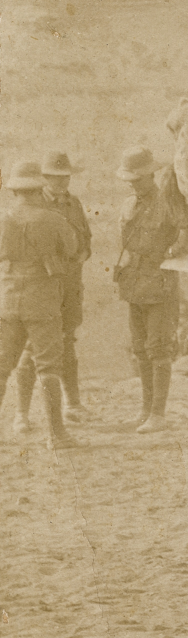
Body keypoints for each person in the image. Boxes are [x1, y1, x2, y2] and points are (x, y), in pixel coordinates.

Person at [0, 161, 78, 445]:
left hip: (8, 298)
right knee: (48, 366)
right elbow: (71, 249)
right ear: (38, 188)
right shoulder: (54, 219)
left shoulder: (3, 219)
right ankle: (56, 434)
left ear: (15, 191)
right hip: (42, 299)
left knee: (2, 365)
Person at [13, 152, 91, 432]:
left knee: (67, 342)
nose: (61, 183)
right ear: (42, 180)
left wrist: (81, 255)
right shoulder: (34, 205)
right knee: (32, 348)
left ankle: (73, 404)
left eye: (65, 177)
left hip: (69, 286)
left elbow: (85, 241)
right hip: (42, 288)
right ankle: (21, 413)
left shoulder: (74, 203)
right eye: (54, 178)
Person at [115, 147, 181, 433]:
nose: (132, 184)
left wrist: (167, 256)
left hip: (159, 284)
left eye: (137, 179)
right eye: (130, 180)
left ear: (151, 175)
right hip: (134, 283)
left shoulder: (168, 204)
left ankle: (158, 413)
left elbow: (185, 240)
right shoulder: (129, 205)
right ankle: (145, 410)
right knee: (140, 349)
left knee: (158, 348)